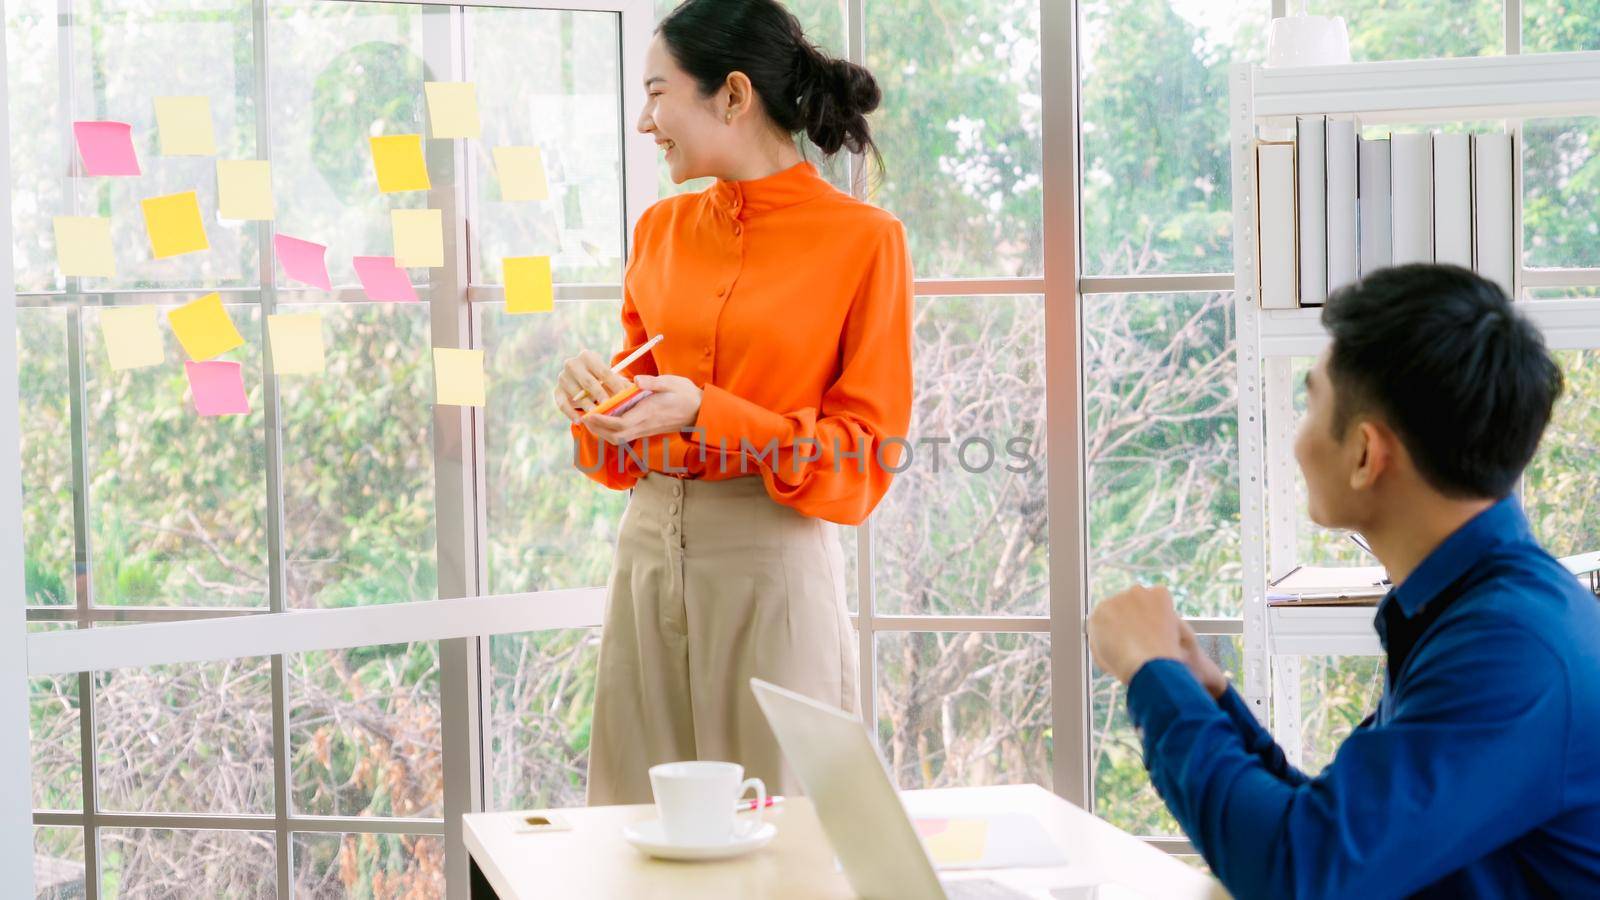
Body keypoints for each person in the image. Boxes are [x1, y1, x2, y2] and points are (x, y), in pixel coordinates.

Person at [1087, 264, 1600, 898]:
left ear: (1365, 454)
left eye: (1311, 402)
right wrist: (1207, 694)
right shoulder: (1475, 612)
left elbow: (1302, 874)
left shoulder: (1513, 649)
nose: (1298, 443)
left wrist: (1152, 677)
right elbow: (1335, 839)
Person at [550, 0, 912, 806]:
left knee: (784, 837)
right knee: (635, 830)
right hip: (645, 556)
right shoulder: (659, 231)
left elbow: (863, 456)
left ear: (734, 96)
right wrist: (601, 411)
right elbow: (624, 442)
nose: (646, 121)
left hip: (771, 569)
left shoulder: (864, 240)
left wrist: (705, 413)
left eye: (657, 93)